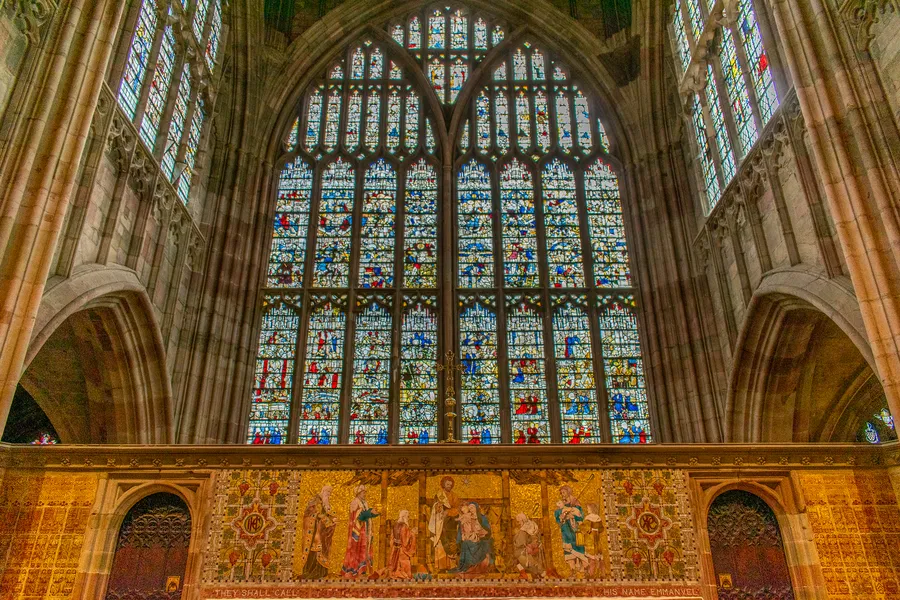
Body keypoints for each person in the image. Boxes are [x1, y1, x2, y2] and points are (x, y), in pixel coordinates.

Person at [298, 485, 337, 579]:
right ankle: (311, 571)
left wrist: (333, 520)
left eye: (330, 493)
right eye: (328, 492)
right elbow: (309, 513)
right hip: (314, 533)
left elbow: (327, 514)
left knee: (321, 548)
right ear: (323, 491)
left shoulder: (325, 502)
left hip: (322, 531)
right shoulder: (314, 501)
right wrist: (319, 516)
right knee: (315, 549)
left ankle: (321, 571)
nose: (329, 495)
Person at [341, 485, 380, 578]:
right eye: (363, 492)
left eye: (365, 492)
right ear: (358, 493)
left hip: (365, 530)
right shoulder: (355, 502)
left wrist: (374, 513)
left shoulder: (364, 503)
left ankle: (362, 570)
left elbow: (366, 514)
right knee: (356, 549)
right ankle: (354, 570)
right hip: (358, 531)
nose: (365, 494)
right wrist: (370, 513)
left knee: (364, 549)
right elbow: (357, 517)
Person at [428, 476, 461, 571]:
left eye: (451, 485)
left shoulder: (454, 496)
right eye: (447, 484)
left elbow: (457, 509)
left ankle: (451, 565)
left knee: (451, 541)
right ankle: (441, 565)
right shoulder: (439, 495)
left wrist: (449, 512)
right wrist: (438, 507)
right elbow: (434, 507)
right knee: (440, 540)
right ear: (443, 484)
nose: (449, 486)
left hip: (451, 523)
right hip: (440, 521)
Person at [450, 503, 493, 574]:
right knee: (465, 544)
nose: (471, 510)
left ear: (476, 508)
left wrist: (480, 533)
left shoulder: (482, 518)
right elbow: (462, 528)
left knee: (468, 543)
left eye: (472, 508)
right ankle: (465, 566)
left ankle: (471, 565)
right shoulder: (468, 517)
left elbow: (487, 530)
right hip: (470, 536)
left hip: (480, 538)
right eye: (470, 509)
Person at [555, 485, 589, 574]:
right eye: (561, 493)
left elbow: (581, 516)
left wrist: (572, 516)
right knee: (568, 548)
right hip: (566, 530)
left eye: (564, 492)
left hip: (577, 529)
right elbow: (558, 517)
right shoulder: (561, 504)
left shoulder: (575, 503)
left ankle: (585, 569)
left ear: (568, 492)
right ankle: (572, 570)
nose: (562, 494)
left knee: (579, 546)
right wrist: (561, 516)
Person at [513, 513, 545, 578]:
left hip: (527, 550)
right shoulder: (529, 526)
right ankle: (524, 573)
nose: (518, 523)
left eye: (518, 521)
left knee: (518, 556)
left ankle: (539, 572)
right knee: (516, 559)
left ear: (522, 520)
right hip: (529, 549)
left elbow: (520, 542)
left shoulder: (523, 530)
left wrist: (530, 546)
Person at [389, 509, 417, 578]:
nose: (408, 518)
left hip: (395, 549)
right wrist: (412, 533)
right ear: (404, 517)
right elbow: (405, 542)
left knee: (395, 565)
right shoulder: (404, 526)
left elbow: (392, 539)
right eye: (408, 517)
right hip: (402, 551)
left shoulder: (395, 525)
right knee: (404, 565)